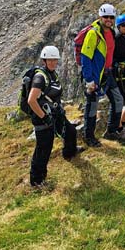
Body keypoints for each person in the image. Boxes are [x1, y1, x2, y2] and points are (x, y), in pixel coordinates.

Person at [28, 45, 84, 187]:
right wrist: (43, 117)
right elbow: (31, 100)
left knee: (70, 131)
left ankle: (69, 153)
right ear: (44, 60)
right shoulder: (40, 78)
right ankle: (37, 181)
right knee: (43, 148)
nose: (53, 62)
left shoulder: (52, 74)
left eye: (55, 60)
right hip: (43, 118)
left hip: (54, 113)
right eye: (50, 60)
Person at [81, 3, 125, 146]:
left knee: (118, 99)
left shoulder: (111, 33)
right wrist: (89, 80)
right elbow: (85, 58)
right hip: (94, 76)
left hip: (108, 73)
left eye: (111, 17)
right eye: (106, 17)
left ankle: (111, 132)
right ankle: (89, 137)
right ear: (100, 16)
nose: (108, 20)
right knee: (92, 105)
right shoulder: (93, 34)